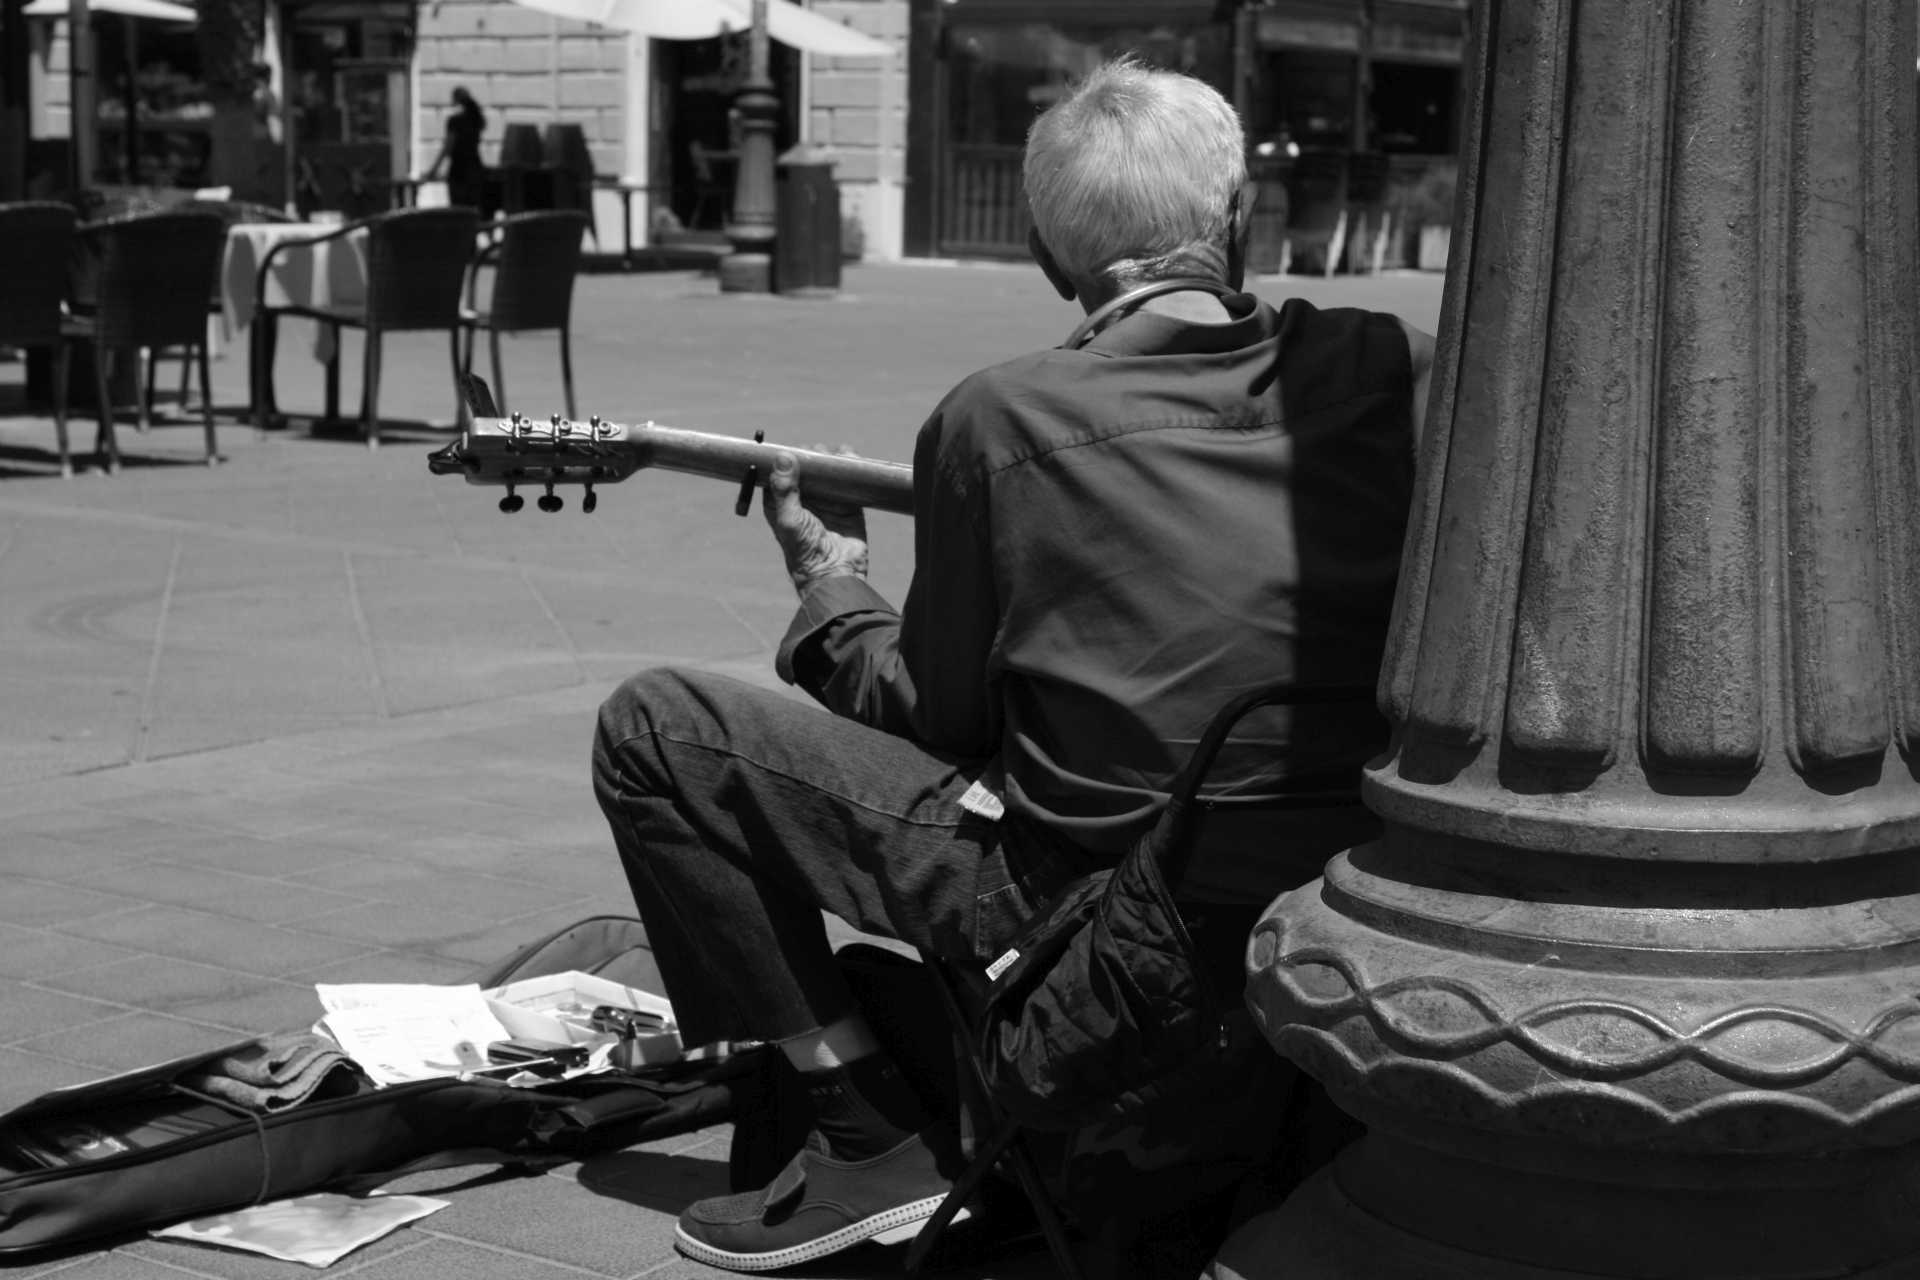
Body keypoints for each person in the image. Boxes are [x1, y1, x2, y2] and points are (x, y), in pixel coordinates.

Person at [592, 57, 1433, 1275]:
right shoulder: (1391, 365)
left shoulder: (998, 419)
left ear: (1051, 259)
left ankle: (860, 1120)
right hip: (1326, 861)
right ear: (1239, 224)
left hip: (1089, 895)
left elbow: (934, 710)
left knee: (655, 727)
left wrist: (832, 585)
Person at [425, 86, 486, 210]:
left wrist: (433, 170)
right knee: (474, 211)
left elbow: (448, 148)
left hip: (459, 171)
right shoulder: (477, 120)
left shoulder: (455, 121)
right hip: (476, 169)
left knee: (459, 210)